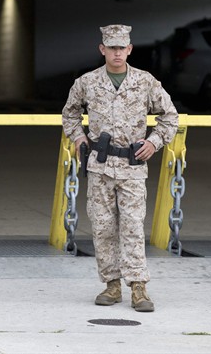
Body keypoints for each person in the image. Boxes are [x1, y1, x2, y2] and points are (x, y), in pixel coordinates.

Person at [61, 24, 178, 312]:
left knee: (133, 226)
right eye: (111, 47)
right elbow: (70, 114)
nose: (116, 52)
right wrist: (78, 137)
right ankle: (111, 284)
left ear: (129, 49)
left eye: (121, 47)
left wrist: (154, 142)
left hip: (132, 166)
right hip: (100, 166)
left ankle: (138, 287)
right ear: (102, 49)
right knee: (102, 228)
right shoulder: (86, 82)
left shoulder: (145, 82)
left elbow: (169, 117)